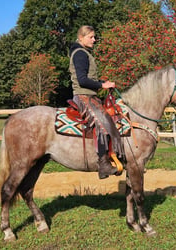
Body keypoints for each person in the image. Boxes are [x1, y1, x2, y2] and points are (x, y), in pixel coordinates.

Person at [69, 25, 125, 179]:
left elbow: (89, 79)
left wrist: (103, 82)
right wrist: (102, 85)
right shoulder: (80, 54)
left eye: (95, 37)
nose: (94, 40)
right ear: (81, 38)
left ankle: (116, 155)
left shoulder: (85, 53)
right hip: (82, 96)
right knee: (102, 124)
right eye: (91, 37)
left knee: (112, 117)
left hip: (90, 96)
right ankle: (103, 165)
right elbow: (82, 80)